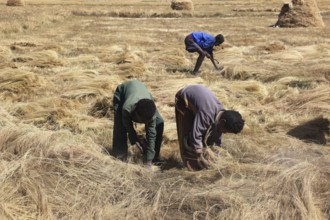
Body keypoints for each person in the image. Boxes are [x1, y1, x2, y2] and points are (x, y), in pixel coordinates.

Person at [175, 85, 244, 171]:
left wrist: (215, 153)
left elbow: (216, 138)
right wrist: (200, 156)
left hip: (200, 102)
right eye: (225, 131)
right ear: (222, 122)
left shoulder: (221, 114)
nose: (224, 133)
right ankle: (190, 164)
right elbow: (195, 135)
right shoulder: (206, 113)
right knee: (188, 139)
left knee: (207, 137)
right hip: (183, 100)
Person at [112, 80, 164, 168]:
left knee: (159, 123)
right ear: (136, 114)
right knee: (120, 127)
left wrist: (148, 161)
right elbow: (128, 126)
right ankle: (120, 157)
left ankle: (153, 157)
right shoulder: (127, 109)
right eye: (142, 121)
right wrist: (134, 139)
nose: (145, 123)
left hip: (144, 93)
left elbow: (152, 134)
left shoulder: (151, 115)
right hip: (122, 92)